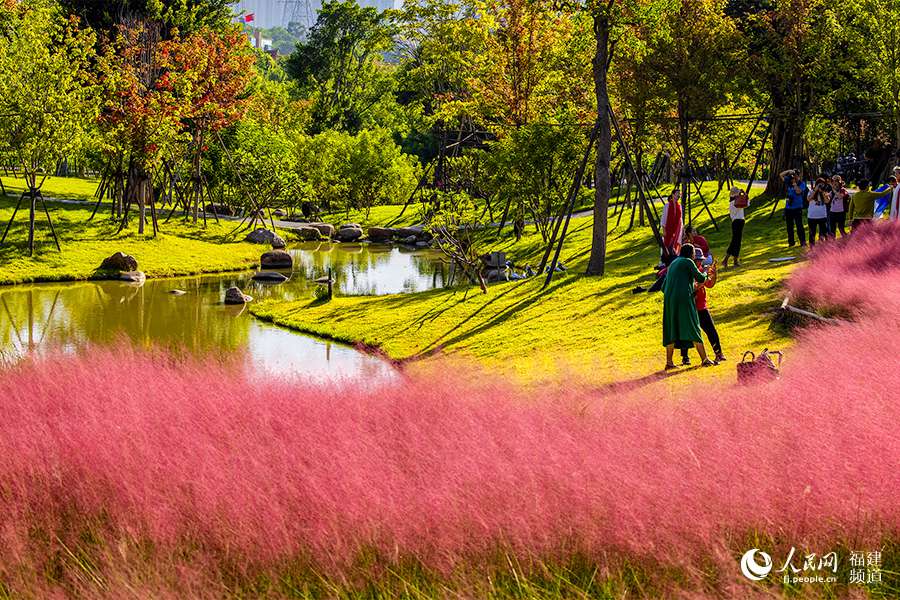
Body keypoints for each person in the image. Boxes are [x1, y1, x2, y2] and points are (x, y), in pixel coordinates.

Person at [662, 243, 714, 370]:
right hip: (683, 299)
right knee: (693, 325)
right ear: (690, 254)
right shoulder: (688, 262)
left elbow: (663, 286)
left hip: (669, 300)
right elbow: (701, 278)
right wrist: (707, 272)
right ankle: (705, 359)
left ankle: (669, 362)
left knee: (672, 328)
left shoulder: (673, 263)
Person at [680, 249, 725, 365]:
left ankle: (719, 354)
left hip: (701, 307)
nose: (700, 262)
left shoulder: (700, 270)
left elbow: (710, 284)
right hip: (690, 307)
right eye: (698, 260)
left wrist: (714, 274)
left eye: (701, 260)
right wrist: (703, 279)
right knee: (687, 333)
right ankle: (685, 358)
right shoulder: (687, 271)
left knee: (711, 330)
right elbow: (693, 287)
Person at [779, 169, 807, 247]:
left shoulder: (802, 183)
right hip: (788, 208)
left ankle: (803, 242)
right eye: (793, 175)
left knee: (799, 225)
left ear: (799, 176)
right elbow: (781, 175)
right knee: (789, 227)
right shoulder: (788, 181)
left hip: (797, 208)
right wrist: (789, 171)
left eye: (796, 175)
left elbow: (798, 192)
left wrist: (794, 184)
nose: (794, 177)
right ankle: (791, 242)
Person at [722, 187, 747, 269]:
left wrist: (743, 194)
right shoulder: (735, 202)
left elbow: (747, 203)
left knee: (737, 241)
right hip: (737, 222)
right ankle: (727, 259)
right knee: (735, 241)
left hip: (738, 222)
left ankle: (734, 260)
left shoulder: (734, 201)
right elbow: (747, 203)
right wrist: (745, 194)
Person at [660, 188, 684, 262]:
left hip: (677, 229)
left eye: (679, 194)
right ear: (673, 194)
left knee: (675, 244)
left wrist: (682, 230)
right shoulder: (667, 206)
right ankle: (665, 260)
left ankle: (674, 259)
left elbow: (680, 219)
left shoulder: (679, 206)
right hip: (669, 229)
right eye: (677, 194)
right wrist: (664, 230)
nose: (678, 195)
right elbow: (664, 218)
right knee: (667, 244)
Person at [807, 178, 829, 246]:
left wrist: (822, 192)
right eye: (819, 184)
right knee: (812, 234)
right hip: (812, 217)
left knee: (825, 233)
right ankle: (812, 248)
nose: (821, 186)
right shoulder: (811, 191)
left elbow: (827, 201)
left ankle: (828, 247)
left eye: (822, 184)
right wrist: (815, 190)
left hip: (822, 216)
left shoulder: (824, 192)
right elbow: (808, 199)